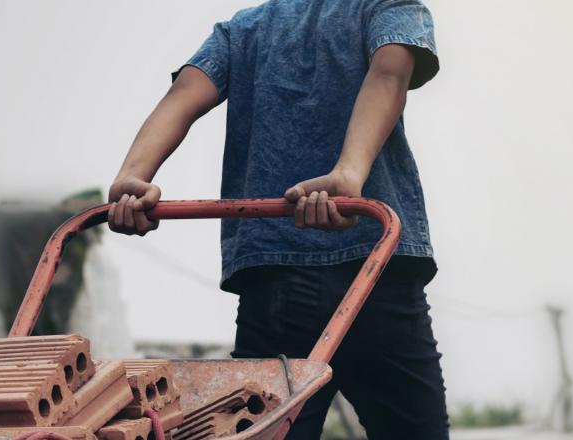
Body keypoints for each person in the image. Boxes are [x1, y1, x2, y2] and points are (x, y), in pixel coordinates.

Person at [102, 0, 445, 438]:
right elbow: (390, 73)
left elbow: (183, 95)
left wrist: (134, 173)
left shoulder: (243, 29)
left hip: (280, 282)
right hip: (374, 265)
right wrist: (349, 173)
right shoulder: (387, 7)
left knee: (275, 430)